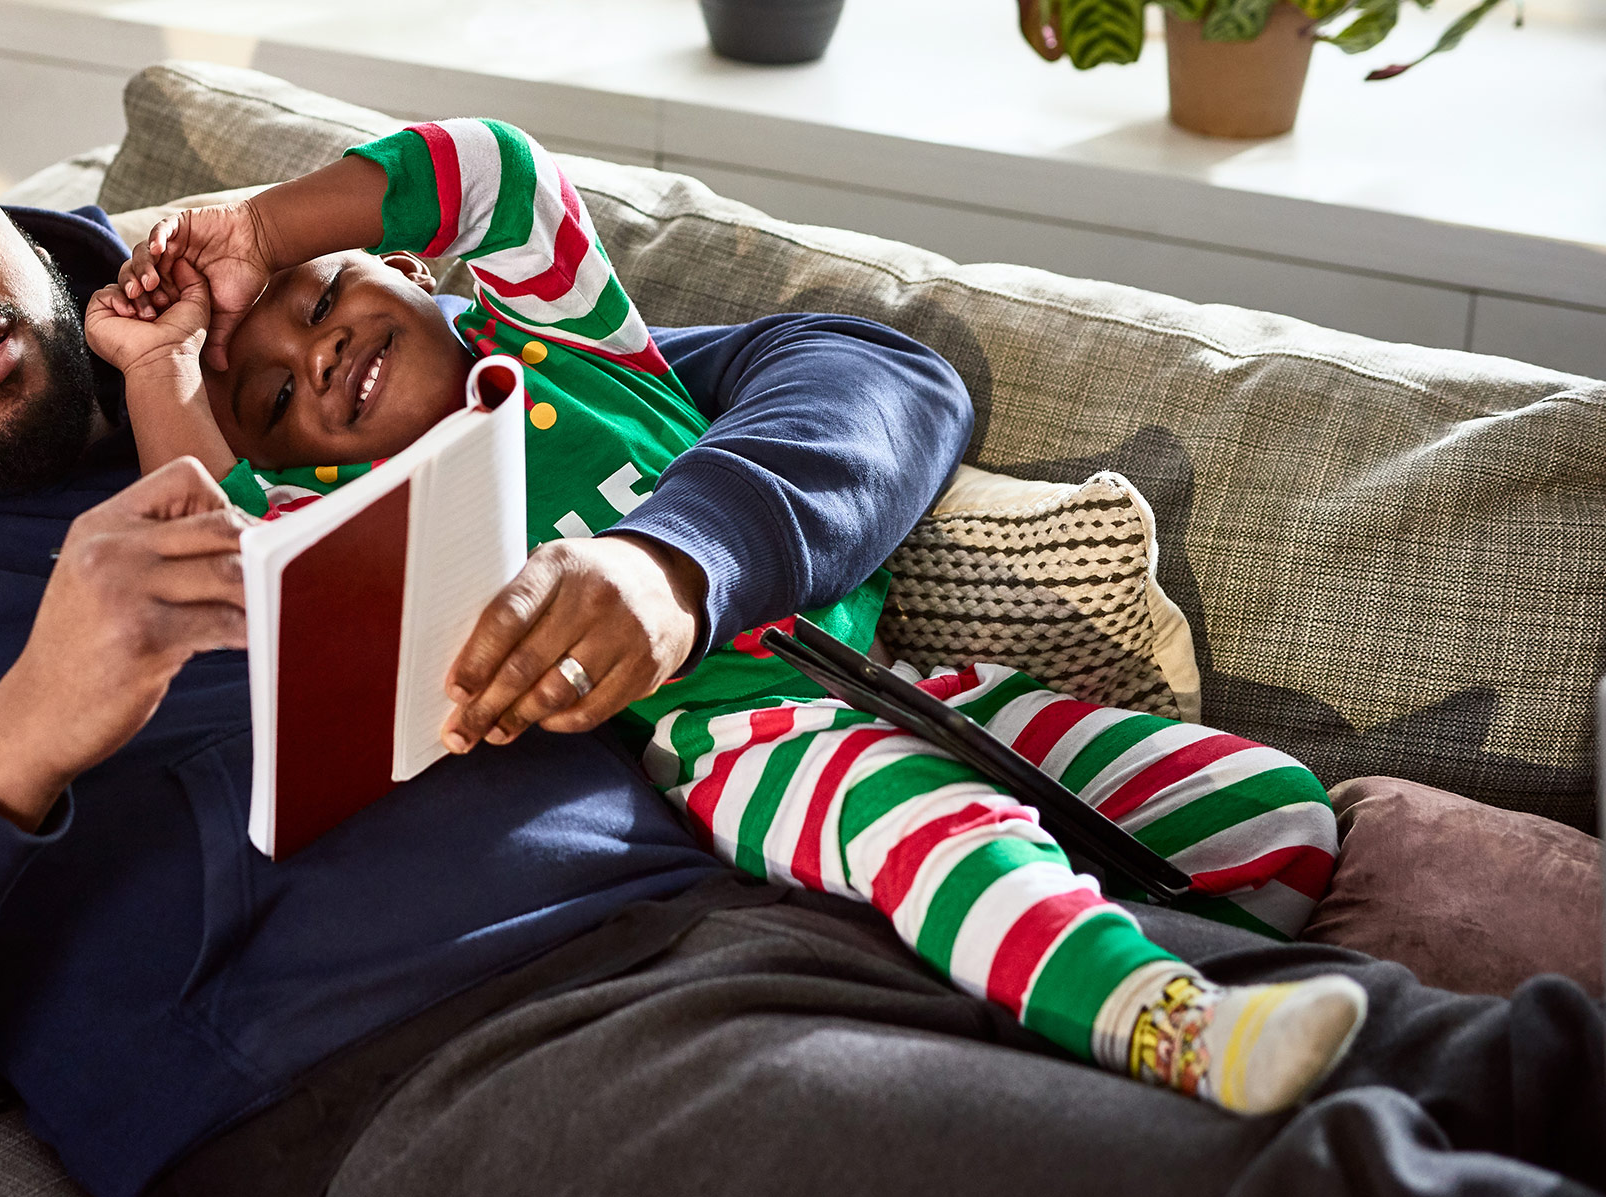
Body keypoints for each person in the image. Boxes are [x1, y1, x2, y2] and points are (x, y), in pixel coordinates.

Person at [0, 117, 1603, 1197]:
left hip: (861, 857)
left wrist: (679, 560)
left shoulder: (273, 321)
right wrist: (11, 750)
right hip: (448, 1064)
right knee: (1331, 1180)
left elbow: (865, 374)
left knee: (1521, 1066)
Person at [92, 117, 1358, 1114]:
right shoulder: (364, 526)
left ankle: (1094, 994)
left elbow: (492, 173)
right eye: (268, 396)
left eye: (323, 303)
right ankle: (1156, 1017)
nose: (312, 358)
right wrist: (160, 365)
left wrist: (256, 232)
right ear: (294, 464)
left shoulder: (573, 343)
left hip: (906, 683)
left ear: (416, 270)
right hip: (740, 754)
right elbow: (206, 539)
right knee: (940, 832)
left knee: (1278, 811)